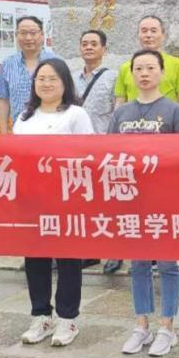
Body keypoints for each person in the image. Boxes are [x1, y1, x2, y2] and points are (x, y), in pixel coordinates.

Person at [109, 49, 179, 358]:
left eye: (150, 68)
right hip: (131, 199)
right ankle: (141, 325)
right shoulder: (121, 114)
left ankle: (167, 326)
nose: (144, 73)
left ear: (161, 72)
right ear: (131, 74)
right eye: (139, 68)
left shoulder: (173, 112)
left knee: (168, 264)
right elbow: (109, 155)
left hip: (166, 200)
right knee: (139, 263)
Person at [14, 59, 94, 347]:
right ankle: (41, 315)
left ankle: (67, 318)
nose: (46, 84)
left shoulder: (75, 114)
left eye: (53, 79)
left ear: (64, 83)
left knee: (68, 258)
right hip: (32, 199)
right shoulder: (24, 117)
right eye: (41, 78)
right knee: (35, 258)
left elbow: (89, 155)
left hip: (66, 199)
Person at [73, 29, 121, 273]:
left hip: (104, 148)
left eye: (94, 43)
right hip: (77, 150)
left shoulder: (113, 77)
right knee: (84, 202)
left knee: (110, 202)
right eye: (85, 43)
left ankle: (115, 252)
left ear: (104, 48)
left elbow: (117, 110)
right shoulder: (71, 78)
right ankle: (89, 251)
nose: (89, 47)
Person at [0, 15, 59, 133]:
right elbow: (3, 99)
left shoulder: (56, 62)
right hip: (19, 130)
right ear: (16, 35)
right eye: (23, 33)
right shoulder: (8, 63)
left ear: (42, 35)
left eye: (33, 33)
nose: (28, 38)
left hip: (52, 129)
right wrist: (3, 131)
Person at [114, 16, 179, 106]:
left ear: (163, 36)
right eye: (144, 31)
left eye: (153, 31)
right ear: (138, 35)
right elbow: (120, 102)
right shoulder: (126, 67)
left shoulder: (178, 65)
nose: (148, 35)